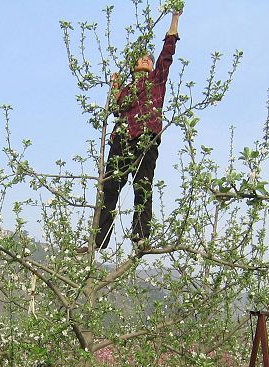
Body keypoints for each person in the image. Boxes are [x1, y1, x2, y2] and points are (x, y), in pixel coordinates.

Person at [86, 11, 182, 252]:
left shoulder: (157, 80)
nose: (147, 60)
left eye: (149, 59)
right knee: (109, 187)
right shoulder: (128, 89)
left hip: (146, 136)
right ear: (134, 66)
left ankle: (140, 237)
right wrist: (115, 85)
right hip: (122, 139)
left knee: (143, 185)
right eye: (143, 59)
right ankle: (98, 241)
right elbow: (118, 107)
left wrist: (175, 18)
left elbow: (167, 54)